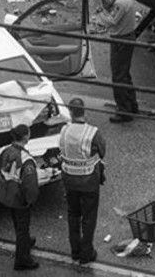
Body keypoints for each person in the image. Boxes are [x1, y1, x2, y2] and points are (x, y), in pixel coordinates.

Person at [58, 97, 106, 264]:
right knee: (88, 217)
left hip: (69, 180)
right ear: (84, 112)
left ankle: (75, 251)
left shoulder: (64, 130)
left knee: (73, 215)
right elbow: (102, 151)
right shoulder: (92, 132)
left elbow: (62, 149)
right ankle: (86, 253)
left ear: (70, 113)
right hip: (88, 181)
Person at [95, 0, 139, 123]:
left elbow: (110, 21)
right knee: (125, 73)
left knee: (118, 76)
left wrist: (98, 11)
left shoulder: (121, 2)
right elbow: (111, 4)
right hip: (128, 36)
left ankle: (124, 110)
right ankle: (132, 105)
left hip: (121, 39)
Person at [0, 124, 40, 271]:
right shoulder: (26, 159)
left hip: (8, 194)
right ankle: (22, 259)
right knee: (23, 227)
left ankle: (26, 241)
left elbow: (0, 171)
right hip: (20, 198)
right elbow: (30, 184)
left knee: (17, 222)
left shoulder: (6, 151)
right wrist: (31, 200)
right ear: (26, 137)